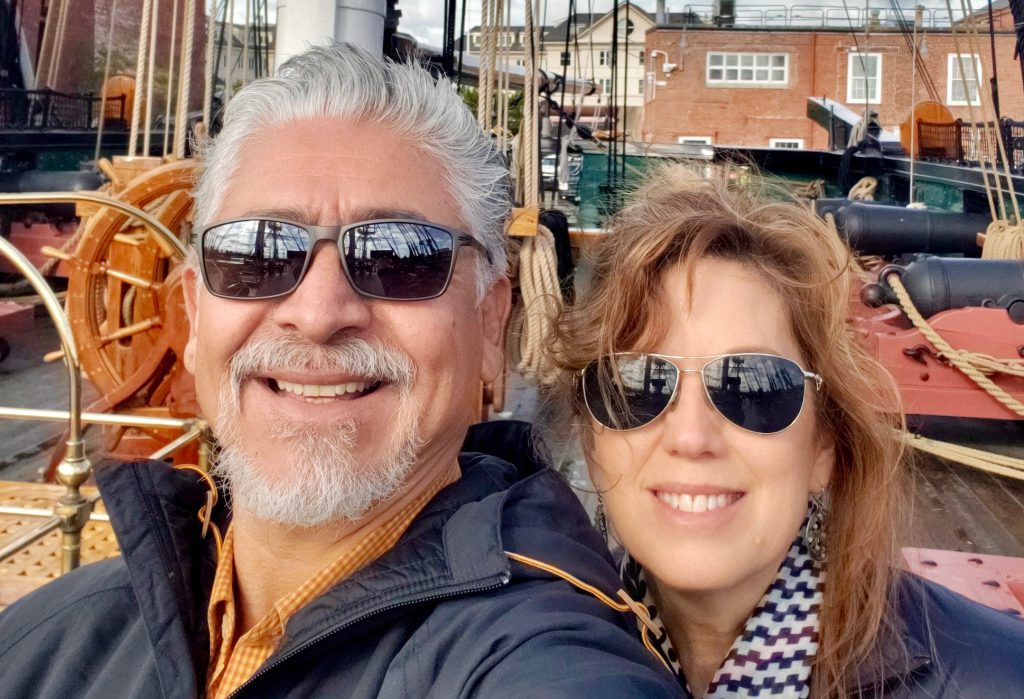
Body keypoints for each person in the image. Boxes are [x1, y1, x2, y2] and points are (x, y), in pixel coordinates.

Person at [0, 44, 679, 698]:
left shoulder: (540, 659)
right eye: (257, 253)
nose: (318, 312)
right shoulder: (45, 639)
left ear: (489, 320)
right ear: (195, 311)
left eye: (400, 255)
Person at [551, 164, 1024, 698]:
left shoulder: (1002, 678)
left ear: (823, 447)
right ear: (593, 443)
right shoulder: (533, 662)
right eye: (636, 384)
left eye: (753, 387)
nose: (690, 436)